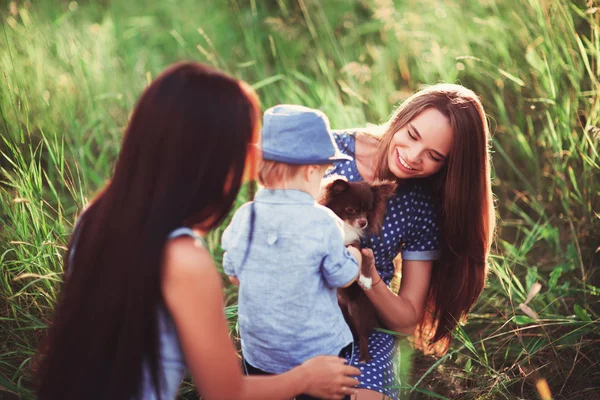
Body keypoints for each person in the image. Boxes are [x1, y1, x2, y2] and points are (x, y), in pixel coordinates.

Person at [34, 62, 361, 400]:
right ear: (213, 158)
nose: (254, 163)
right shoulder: (185, 261)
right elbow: (224, 392)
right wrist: (305, 378)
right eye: (247, 147)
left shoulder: (95, 217)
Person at [325, 84, 495, 399]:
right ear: (402, 117)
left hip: (365, 329)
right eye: (413, 136)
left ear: (449, 166)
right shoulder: (328, 151)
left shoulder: (421, 205)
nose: (413, 158)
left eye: (434, 156)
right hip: (298, 312)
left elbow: (405, 321)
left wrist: (367, 275)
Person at [221, 105, 362, 399]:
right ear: (312, 170)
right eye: (324, 173)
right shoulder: (323, 222)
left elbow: (234, 275)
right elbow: (344, 278)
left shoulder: (244, 217)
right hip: (318, 355)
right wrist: (355, 258)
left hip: (260, 356)